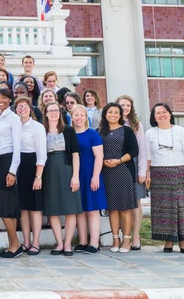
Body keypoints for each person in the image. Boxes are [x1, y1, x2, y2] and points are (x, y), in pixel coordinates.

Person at [0, 88, 23, 258]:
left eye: (5, 97)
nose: (1, 100)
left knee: (6, 206)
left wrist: (12, 171)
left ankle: (16, 244)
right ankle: (11, 246)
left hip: (7, 162)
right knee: (3, 206)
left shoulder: (14, 119)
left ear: (10, 100)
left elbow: (17, 147)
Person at [42, 101, 82, 256]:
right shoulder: (42, 130)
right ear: (45, 113)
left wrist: (76, 176)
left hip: (67, 170)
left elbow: (75, 154)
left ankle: (67, 244)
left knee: (70, 209)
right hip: (48, 171)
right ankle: (59, 242)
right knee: (53, 209)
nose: (53, 113)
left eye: (56, 110)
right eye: (50, 110)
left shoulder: (68, 130)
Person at [98, 102, 139, 253]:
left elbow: (134, 150)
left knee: (125, 208)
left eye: (116, 112)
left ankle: (127, 239)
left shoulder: (127, 131)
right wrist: (102, 161)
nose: (113, 115)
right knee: (112, 208)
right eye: (110, 112)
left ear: (121, 115)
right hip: (106, 173)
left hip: (123, 170)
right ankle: (115, 239)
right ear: (105, 114)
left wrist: (119, 160)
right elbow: (95, 152)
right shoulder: (100, 131)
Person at [145, 103, 184, 253]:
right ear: (154, 117)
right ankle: (168, 240)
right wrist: (147, 173)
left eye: (164, 112)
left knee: (181, 208)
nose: (161, 115)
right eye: (158, 113)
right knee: (163, 209)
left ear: (170, 113)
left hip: (179, 172)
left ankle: (183, 241)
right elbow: (147, 156)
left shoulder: (181, 131)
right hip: (159, 173)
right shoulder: (150, 133)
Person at [71, 104, 106, 254]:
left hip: (91, 175)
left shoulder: (92, 134)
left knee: (92, 210)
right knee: (80, 210)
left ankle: (93, 243)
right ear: (71, 117)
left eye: (82, 115)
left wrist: (95, 176)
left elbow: (99, 156)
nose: (79, 118)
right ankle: (83, 241)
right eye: (76, 115)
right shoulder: (69, 134)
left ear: (86, 117)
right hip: (76, 176)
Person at [15, 96, 46, 256]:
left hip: (32, 165)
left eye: (25, 106)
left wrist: (38, 176)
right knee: (23, 208)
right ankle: (26, 241)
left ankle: (36, 242)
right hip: (17, 166)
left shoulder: (37, 127)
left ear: (30, 109)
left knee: (34, 207)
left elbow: (41, 153)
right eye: (19, 106)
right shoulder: (14, 126)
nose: (22, 109)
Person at [116, 95, 147, 251]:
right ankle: (124, 236)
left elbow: (142, 149)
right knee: (121, 202)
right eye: (122, 105)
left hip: (133, 164)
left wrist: (142, 171)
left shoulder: (136, 125)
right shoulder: (112, 122)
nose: (125, 108)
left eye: (128, 105)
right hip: (116, 165)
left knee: (135, 202)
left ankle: (136, 236)